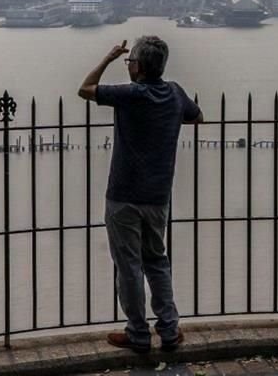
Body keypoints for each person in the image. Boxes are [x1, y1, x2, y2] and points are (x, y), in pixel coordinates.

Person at [78, 35, 202, 353]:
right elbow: (197, 115)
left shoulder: (131, 95)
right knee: (157, 261)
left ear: (139, 67)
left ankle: (138, 333)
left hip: (123, 194)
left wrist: (107, 58)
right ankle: (170, 331)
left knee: (129, 265)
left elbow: (85, 89)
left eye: (130, 61)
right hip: (158, 196)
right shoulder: (174, 93)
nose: (128, 65)